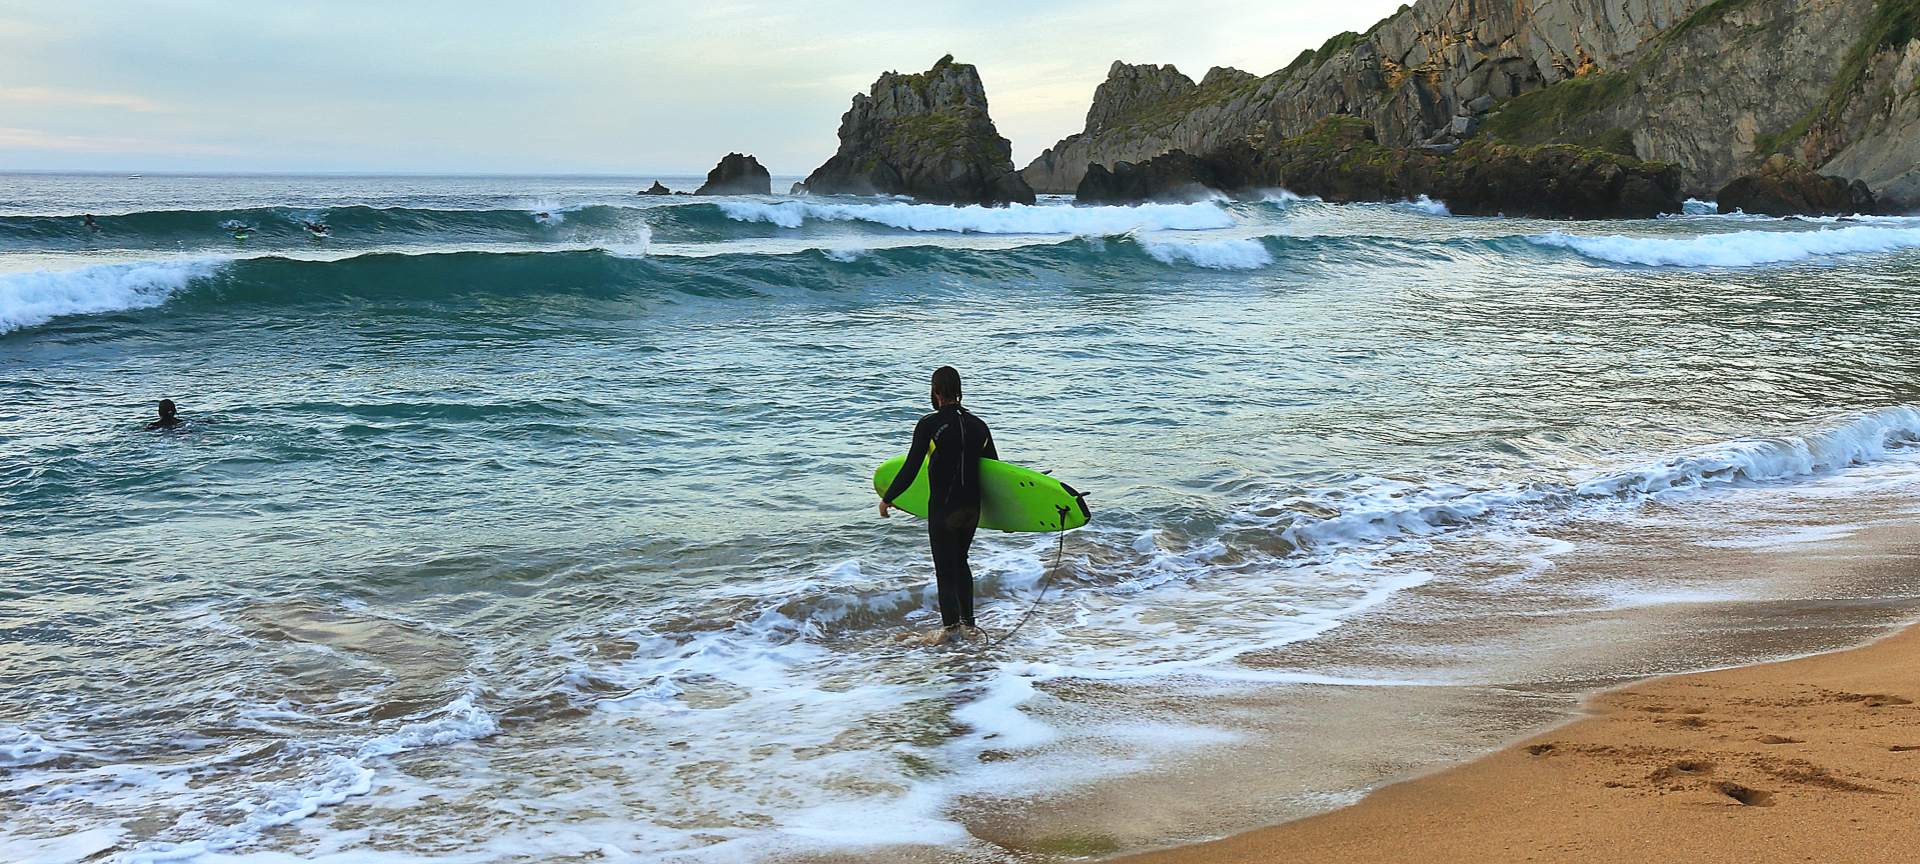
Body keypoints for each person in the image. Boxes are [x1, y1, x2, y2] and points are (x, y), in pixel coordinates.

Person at [879, 366, 997, 645]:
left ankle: (953, 632)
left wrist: (888, 497)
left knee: (945, 570)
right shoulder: (979, 425)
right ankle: (969, 626)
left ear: (936, 392)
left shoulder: (929, 424)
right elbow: (995, 474)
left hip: (944, 509)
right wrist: (1006, 519)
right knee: (961, 562)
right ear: (958, 389)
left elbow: (911, 467)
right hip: (971, 508)